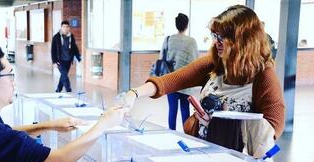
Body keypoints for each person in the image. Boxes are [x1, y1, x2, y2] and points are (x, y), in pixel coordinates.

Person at [122, 5, 285, 152]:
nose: (217, 43)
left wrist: (220, 121)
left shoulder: (264, 76)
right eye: (215, 35)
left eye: (223, 38)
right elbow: (170, 81)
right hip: (206, 150)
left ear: (243, 40)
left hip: (241, 160)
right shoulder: (215, 63)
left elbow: (272, 130)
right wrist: (134, 93)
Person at [160, 13, 198, 130]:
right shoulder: (192, 42)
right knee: (185, 110)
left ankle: (171, 133)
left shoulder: (168, 40)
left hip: (171, 81)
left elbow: (162, 57)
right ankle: (186, 134)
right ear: (186, 25)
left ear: (176, 25)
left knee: (172, 109)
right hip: (186, 82)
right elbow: (195, 61)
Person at [51, 20, 81, 93]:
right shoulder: (56, 37)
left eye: (67, 27)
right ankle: (68, 89)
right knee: (65, 75)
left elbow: (74, 48)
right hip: (59, 61)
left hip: (68, 60)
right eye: (64, 27)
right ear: (61, 27)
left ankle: (58, 89)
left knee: (63, 76)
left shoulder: (71, 36)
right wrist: (54, 61)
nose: (65, 28)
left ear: (69, 28)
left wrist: (78, 58)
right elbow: (53, 50)